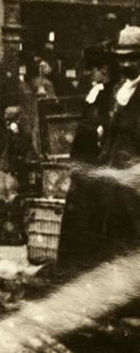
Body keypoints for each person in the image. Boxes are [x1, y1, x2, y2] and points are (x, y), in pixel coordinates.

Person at [58, 26, 140, 273]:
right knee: (113, 229)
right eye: (123, 58)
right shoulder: (119, 90)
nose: (127, 63)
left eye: (133, 57)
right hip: (113, 168)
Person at [0, 106, 39, 245]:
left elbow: (24, 149)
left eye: (12, 119)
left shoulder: (24, 135)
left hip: (13, 172)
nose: (8, 122)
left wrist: (16, 135)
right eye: (6, 119)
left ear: (18, 119)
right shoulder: (2, 134)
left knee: (13, 200)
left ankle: (14, 235)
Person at [69, 47, 116, 163]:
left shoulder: (109, 92)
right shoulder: (97, 90)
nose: (88, 73)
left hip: (97, 149)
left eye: (92, 69)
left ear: (104, 70)